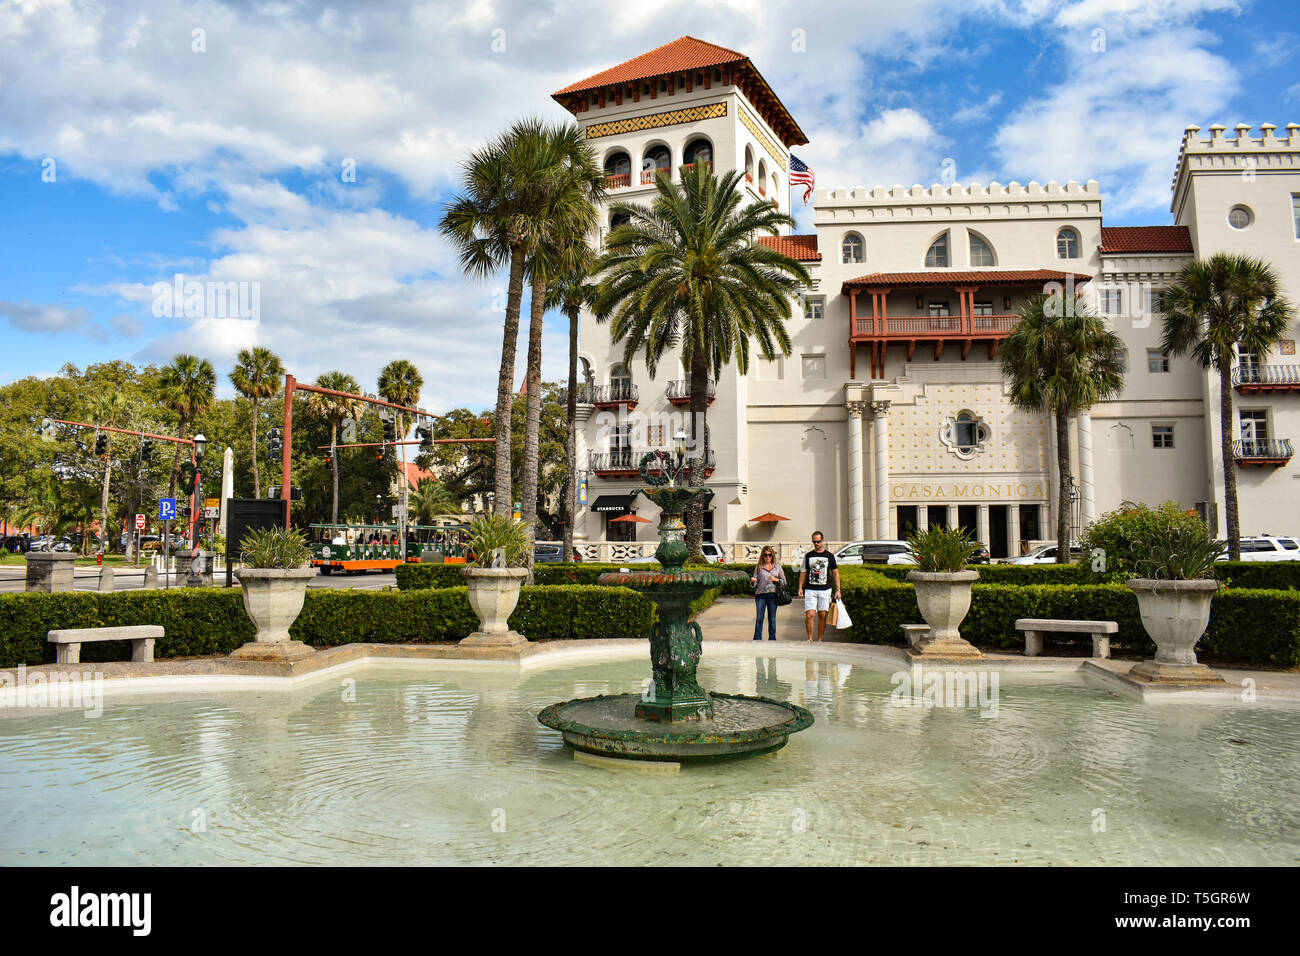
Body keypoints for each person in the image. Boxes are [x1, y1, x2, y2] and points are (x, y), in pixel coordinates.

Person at [797, 530, 841, 643]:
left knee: (822, 614)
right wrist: (800, 588)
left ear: (822, 541)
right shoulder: (808, 556)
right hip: (810, 589)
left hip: (825, 589)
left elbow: (835, 573)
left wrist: (838, 590)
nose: (816, 544)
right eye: (814, 542)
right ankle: (810, 638)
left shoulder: (829, 556)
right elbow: (803, 572)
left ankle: (820, 639)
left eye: (818, 541)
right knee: (810, 615)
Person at [749, 546, 785, 641]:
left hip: (773, 596)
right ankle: (757, 639)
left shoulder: (777, 567)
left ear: (772, 556)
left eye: (769, 555)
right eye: (765, 555)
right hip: (760, 595)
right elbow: (754, 583)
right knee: (759, 618)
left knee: (772, 619)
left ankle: (772, 640)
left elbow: (784, 582)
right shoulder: (759, 567)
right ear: (762, 556)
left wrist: (776, 579)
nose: (767, 557)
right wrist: (753, 581)